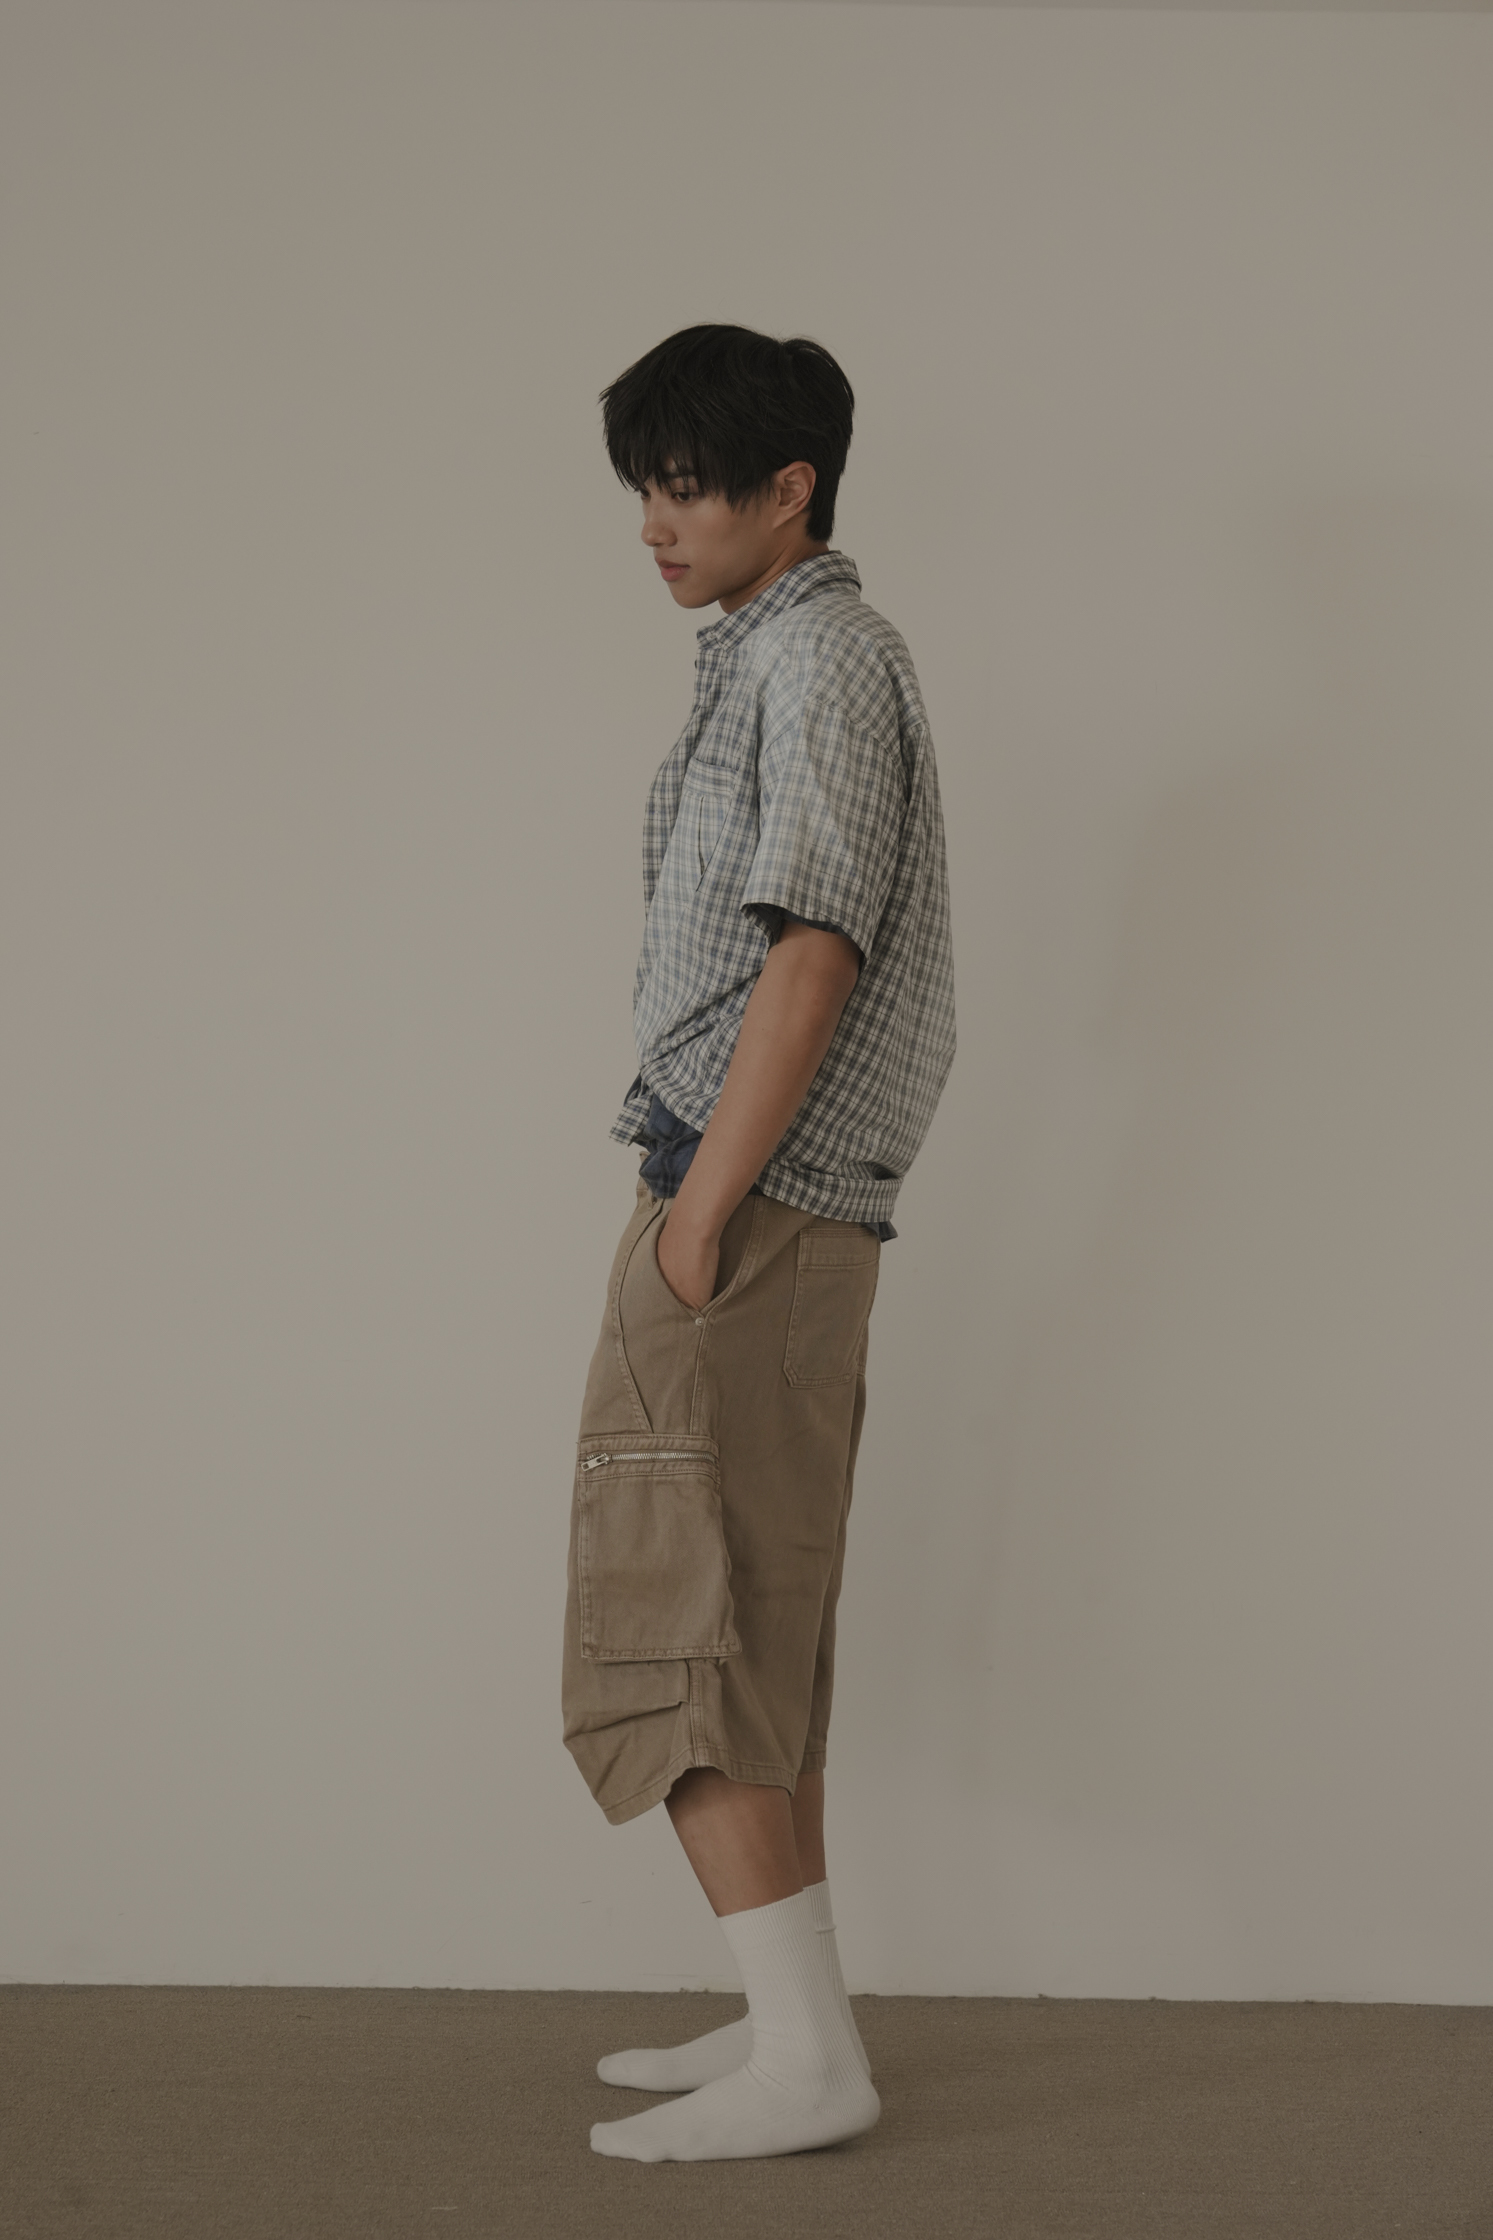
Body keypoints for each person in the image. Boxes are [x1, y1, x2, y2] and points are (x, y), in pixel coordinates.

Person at [561, 323, 956, 2163]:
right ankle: (792, 2022)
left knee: (680, 1624)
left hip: (750, 1198)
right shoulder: (779, 654)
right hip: (765, 1195)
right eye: (643, 487)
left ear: (789, 489)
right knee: (747, 1618)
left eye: (685, 487)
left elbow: (812, 950)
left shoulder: (819, 657)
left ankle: (806, 2065)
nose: (654, 523)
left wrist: (698, 1215)